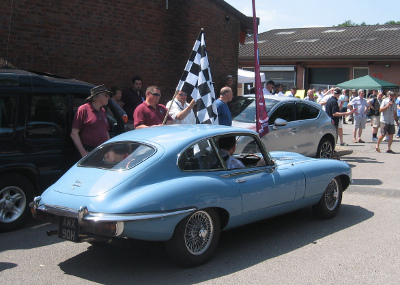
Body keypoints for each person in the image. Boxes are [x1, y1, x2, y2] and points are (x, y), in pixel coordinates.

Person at [70, 85, 111, 157]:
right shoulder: (83, 109)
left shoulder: (103, 110)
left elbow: (105, 131)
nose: (108, 97)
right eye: (106, 95)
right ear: (99, 96)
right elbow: (74, 133)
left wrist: (109, 149)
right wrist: (83, 152)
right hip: (89, 152)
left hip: (102, 151)